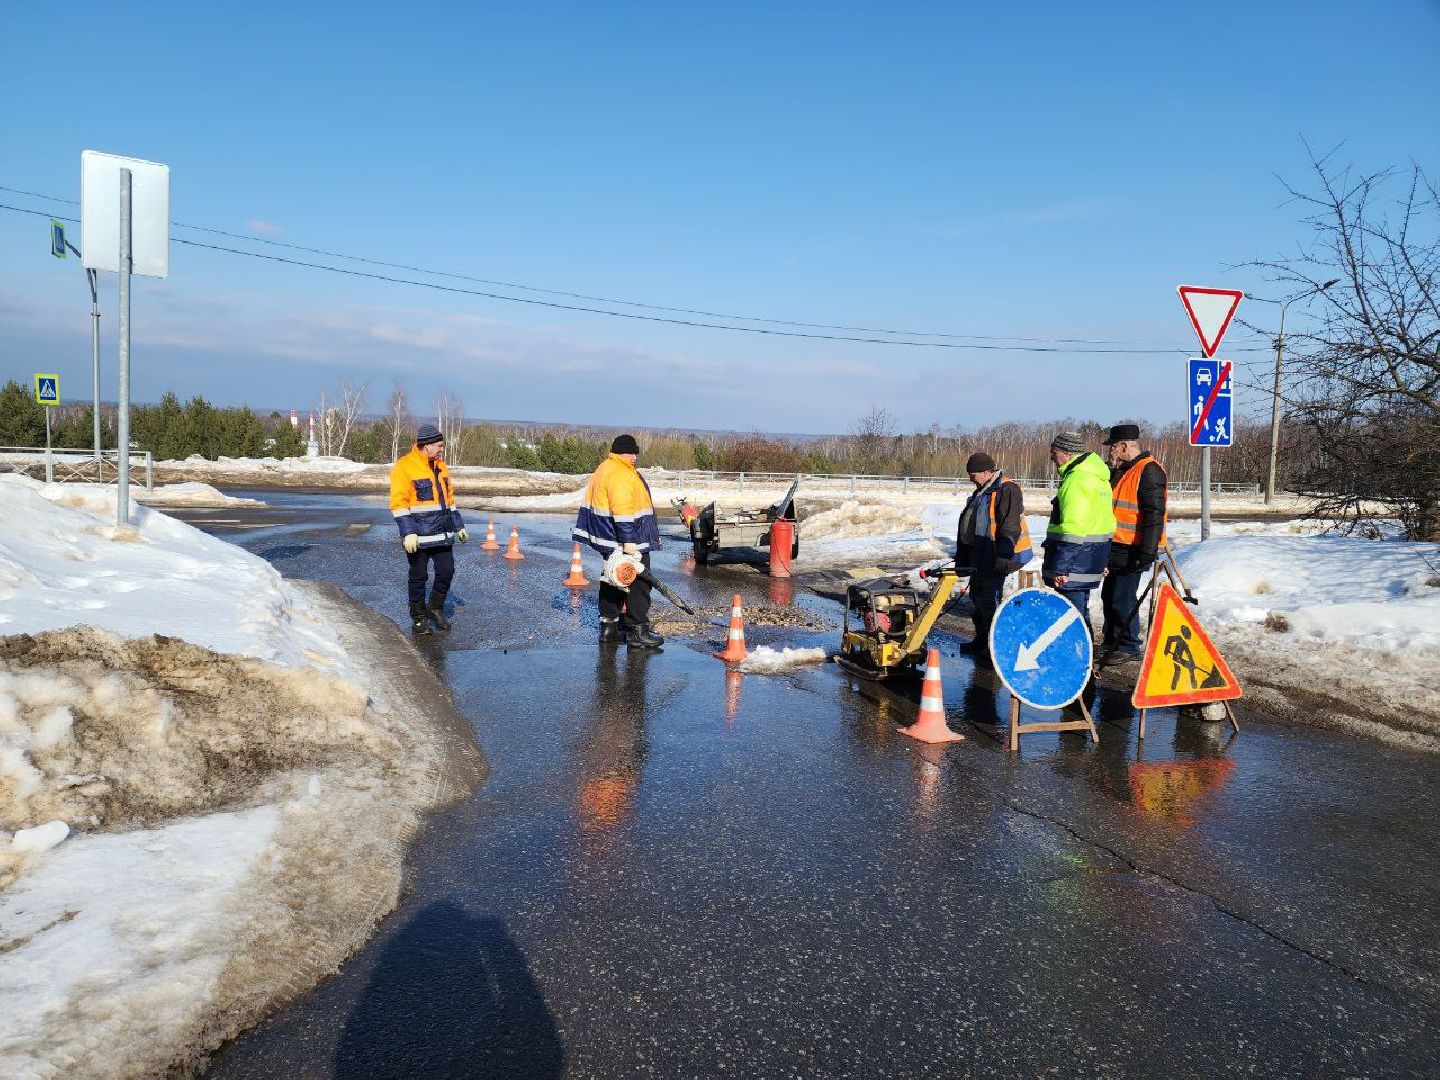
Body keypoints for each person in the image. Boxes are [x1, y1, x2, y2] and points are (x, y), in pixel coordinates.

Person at [574, 434, 664, 650]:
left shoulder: (605, 468)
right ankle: (637, 631)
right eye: (630, 453)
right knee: (639, 584)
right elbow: (622, 511)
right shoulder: (620, 474)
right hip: (628, 540)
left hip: (610, 540)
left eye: (635, 453)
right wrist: (629, 542)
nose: (634, 457)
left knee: (613, 580)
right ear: (620, 452)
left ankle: (609, 628)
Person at [954, 451, 1032, 664]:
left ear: (988, 471)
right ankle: (981, 640)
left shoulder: (1007, 489)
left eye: (974, 474)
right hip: (980, 555)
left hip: (997, 555)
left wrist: (1004, 555)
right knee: (977, 597)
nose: (971, 478)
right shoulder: (983, 490)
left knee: (989, 600)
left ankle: (993, 647)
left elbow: (1009, 525)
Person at [1100, 423, 1168, 665]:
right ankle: (1112, 642)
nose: (1110, 451)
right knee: (1110, 596)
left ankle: (1128, 645)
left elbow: (1154, 514)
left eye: (1113, 447)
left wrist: (1148, 551)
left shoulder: (1148, 470)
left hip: (1134, 548)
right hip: (1117, 545)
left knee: (1123, 597)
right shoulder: (1126, 470)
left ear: (1124, 446)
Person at [390, 423, 466, 635]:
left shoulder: (441, 467)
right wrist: (408, 532)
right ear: (427, 444)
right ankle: (418, 618)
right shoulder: (404, 467)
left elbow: (450, 501)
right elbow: (399, 503)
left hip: (442, 534)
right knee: (418, 577)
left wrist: (458, 526)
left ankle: (435, 608)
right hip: (418, 537)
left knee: (446, 571)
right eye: (439, 445)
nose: (442, 449)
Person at [1041, 430, 1115, 641]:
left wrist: (1062, 567)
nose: (1052, 457)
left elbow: (1073, 528)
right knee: (1079, 613)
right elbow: (1105, 522)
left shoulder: (1077, 480)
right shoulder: (1098, 478)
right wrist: (1102, 559)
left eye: (1054, 452)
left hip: (1074, 563)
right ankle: (1085, 664)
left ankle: (1080, 665)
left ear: (1067, 453)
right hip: (1090, 558)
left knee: (1071, 618)